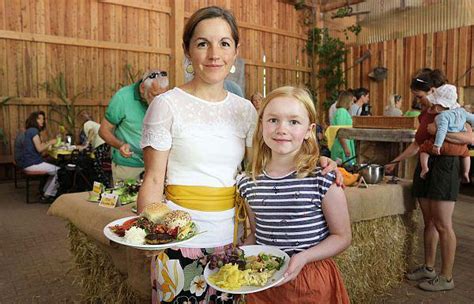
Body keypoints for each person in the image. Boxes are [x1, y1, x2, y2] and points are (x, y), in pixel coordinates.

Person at [137, 6, 341, 303]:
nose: (213, 54)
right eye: (202, 43)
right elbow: (154, 178)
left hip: (233, 245)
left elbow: (267, 164)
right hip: (179, 240)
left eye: (224, 43)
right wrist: (153, 238)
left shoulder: (245, 110)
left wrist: (317, 160)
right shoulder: (166, 105)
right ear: (187, 50)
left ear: (235, 51)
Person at [237, 86, 351, 304]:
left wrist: (304, 256)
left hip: (311, 282)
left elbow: (343, 236)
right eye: (273, 120)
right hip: (265, 284)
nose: (282, 129)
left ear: (309, 129)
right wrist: (239, 255)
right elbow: (257, 233)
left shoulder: (323, 177)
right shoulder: (247, 182)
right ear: (261, 126)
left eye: (294, 122)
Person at [386, 69, 474, 292]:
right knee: (430, 222)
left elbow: (470, 137)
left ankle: (446, 277)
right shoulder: (425, 114)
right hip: (426, 166)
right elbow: (417, 144)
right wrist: (395, 161)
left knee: (444, 224)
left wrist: (440, 132)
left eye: (419, 96)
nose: (418, 100)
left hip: (445, 165)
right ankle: (428, 267)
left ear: (432, 90)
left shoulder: (453, 110)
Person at [99, 69, 169, 184]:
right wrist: (120, 145)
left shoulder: (164, 100)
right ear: (142, 88)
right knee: (127, 201)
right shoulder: (123, 97)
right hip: (129, 166)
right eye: (154, 95)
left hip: (156, 165)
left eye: (163, 95)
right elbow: (103, 131)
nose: (159, 101)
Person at [418, 84, 474, 183]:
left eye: (436, 104)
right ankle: (466, 172)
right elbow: (473, 118)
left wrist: (437, 145)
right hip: (459, 148)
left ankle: (424, 168)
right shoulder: (462, 112)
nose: (434, 106)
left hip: (444, 146)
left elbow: (442, 130)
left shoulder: (442, 116)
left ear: (442, 105)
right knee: (466, 154)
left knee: (424, 149)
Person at [21, 111, 59, 202]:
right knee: (59, 171)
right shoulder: (34, 131)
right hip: (32, 164)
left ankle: (45, 191)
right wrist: (51, 142)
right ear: (34, 120)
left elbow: (38, 148)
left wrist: (46, 145)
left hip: (28, 162)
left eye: (43, 119)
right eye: (39, 119)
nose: (42, 121)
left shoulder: (29, 131)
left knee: (54, 169)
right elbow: (39, 148)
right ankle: (48, 194)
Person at [78, 110, 112, 187]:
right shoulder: (92, 123)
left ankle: (105, 185)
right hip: (105, 144)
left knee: (98, 167)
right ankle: (104, 184)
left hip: (101, 144)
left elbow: (91, 132)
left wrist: (86, 145)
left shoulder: (87, 123)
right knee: (99, 165)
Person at [331, 91, 356, 165]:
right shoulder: (341, 112)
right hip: (341, 146)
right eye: (352, 101)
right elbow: (340, 131)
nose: (352, 103)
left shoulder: (343, 111)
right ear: (347, 101)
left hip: (345, 144)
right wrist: (345, 147)